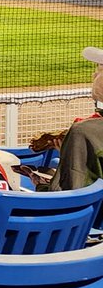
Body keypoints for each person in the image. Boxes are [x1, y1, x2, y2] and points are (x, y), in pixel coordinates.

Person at [47, 48, 103, 191]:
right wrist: (73, 154)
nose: (94, 75)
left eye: (99, 71)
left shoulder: (84, 131)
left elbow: (68, 192)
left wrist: (40, 185)